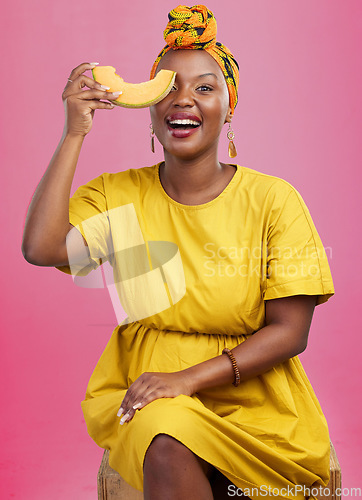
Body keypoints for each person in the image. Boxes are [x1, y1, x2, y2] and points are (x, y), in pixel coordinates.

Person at [22, 5, 335, 500]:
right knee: (166, 436)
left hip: (259, 402)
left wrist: (186, 379)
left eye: (204, 87)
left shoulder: (275, 200)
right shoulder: (118, 195)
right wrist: (75, 131)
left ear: (229, 106)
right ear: (148, 105)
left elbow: (291, 331)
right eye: (168, 87)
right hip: (149, 391)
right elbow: (41, 248)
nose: (182, 100)